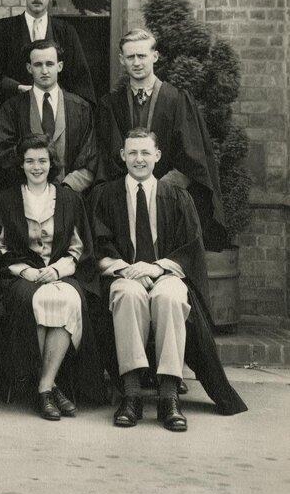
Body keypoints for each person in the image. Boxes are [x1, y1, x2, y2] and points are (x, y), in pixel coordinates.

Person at [90, 128, 247, 431]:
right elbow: (97, 246)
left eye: (145, 152)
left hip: (166, 272)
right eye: (132, 153)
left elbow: (190, 248)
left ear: (157, 156)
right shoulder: (106, 195)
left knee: (171, 297)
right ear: (122, 156)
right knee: (128, 295)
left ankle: (169, 395)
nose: (139, 159)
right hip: (123, 273)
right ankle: (132, 394)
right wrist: (126, 269)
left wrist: (155, 268)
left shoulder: (177, 196)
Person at [0, 135, 102, 420]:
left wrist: (57, 270)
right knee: (34, 300)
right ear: (21, 164)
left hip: (60, 271)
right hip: (19, 274)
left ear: (52, 163)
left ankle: (44, 386)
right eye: (29, 161)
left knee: (69, 300)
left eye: (42, 160)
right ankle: (50, 388)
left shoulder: (69, 199)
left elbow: (80, 247)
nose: (36, 167)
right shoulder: (5, 200)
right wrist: (24, 270)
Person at [97, 28, 226, 249]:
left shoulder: (176, 100)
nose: (136, 62)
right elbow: (108, 158)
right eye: (130, 57)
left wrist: (158, 189)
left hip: (169, 202)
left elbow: (192, 160)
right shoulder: (111, 104)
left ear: (155, 56)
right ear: (121, 59)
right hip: (125, 202)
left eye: (142, 55)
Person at [0, 39, 97, 192]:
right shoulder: (12, 109)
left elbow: (90, 157)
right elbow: (5, 155)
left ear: (59, 66)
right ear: (29, 68)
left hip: (71, 195)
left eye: (49, 64)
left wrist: (68, 188)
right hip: (26, 194)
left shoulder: (80, 108)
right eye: (38, 65)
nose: (44, 71)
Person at [0, 0, 95, 106]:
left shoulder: (66, 32)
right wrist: (17, 88)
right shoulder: (2, 29)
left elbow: (80, 79)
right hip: (14, 108)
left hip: (56, 109)